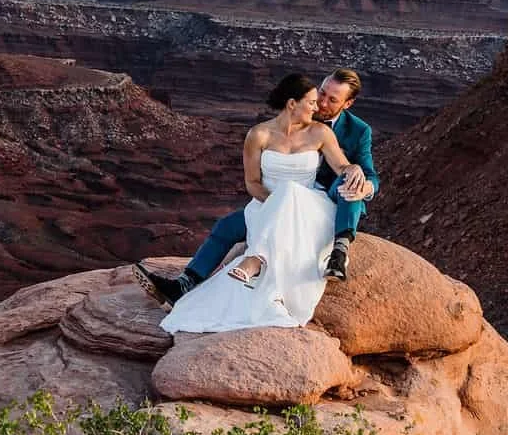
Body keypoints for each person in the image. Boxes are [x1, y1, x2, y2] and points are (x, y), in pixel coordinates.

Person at [138, 67, 376, 305]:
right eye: (320, 95)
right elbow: (252, 181)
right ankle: (183, 284)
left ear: (347, 104)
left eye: (331, 100)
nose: (321, 104)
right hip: (273, 198)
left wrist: (357, 175)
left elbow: (358, 171)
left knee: (351, 183)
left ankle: (338, 250)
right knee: (227, 226)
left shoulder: (347, 130)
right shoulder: (271, 128)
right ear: (294, 103)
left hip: (322, 200)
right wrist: (276, 205)